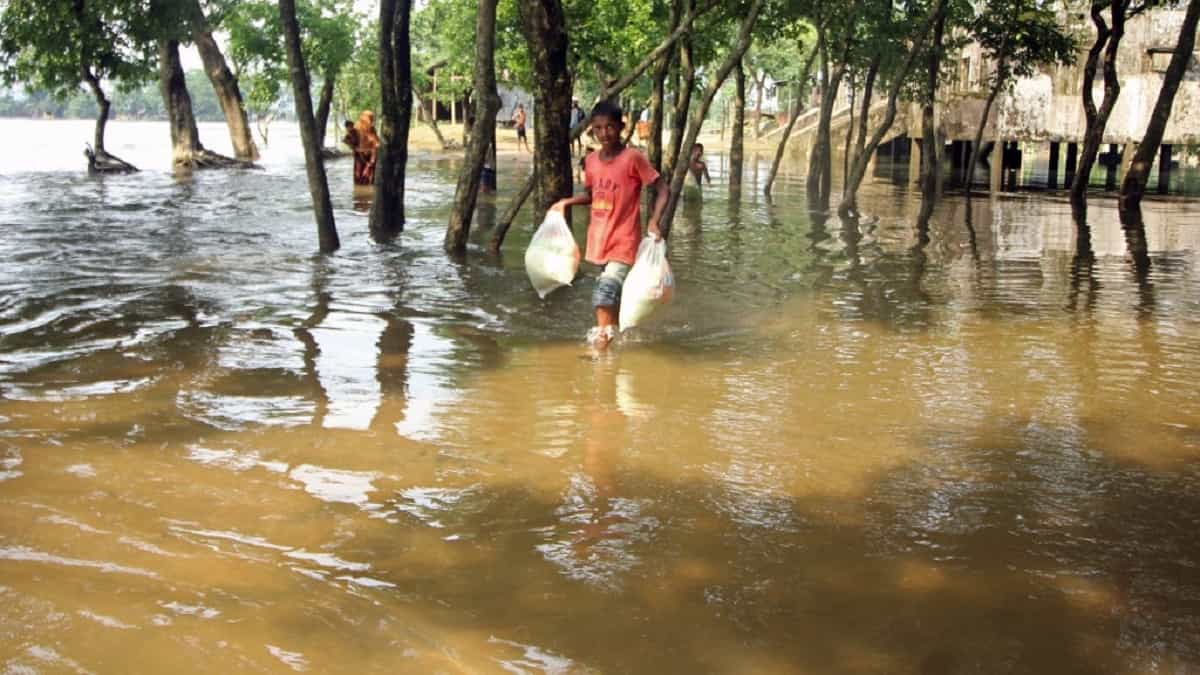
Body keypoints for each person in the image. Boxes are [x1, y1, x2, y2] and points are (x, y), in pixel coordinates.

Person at [552, 101, 669, 350]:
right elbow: (594, 197)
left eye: (610, 127)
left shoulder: (633, 158)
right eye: (598, 128)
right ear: (592, 130)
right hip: (599, 240)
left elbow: (663, 190)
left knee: (604, 291)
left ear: (621, 127)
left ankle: (601, 347)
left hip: (625, 240)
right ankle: (617, 341)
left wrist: (654, 221)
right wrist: (566, 202)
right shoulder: (592, 161)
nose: (604, 133)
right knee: (611, 294)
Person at [352, 110, 379, 186]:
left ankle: (362, 193)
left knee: (362, 177)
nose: (371, 120)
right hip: (362, 156)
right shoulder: (358, 128)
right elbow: (376, 144)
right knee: (363, 176)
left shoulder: (370, 128)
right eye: (371, 118)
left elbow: (376, 144)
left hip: (364, 156)